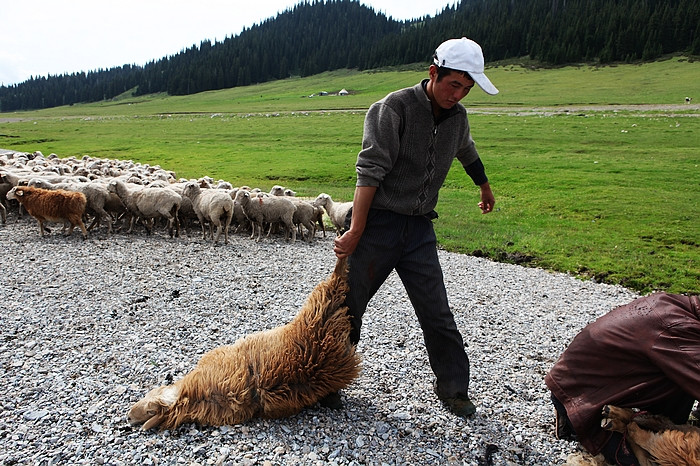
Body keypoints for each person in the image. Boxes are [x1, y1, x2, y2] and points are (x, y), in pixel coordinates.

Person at [328, 37, 499, 418]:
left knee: (437, 311)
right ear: (433, 72)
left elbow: (466, 150)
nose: (458, 94)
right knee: (348, 305)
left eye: (466, 88)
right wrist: (356, 228)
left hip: (419, 228)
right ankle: (328, 381)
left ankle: (454, 389)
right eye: (453, 84)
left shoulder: (458, 118)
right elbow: (369, 170)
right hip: (380, 225)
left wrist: (484, 186)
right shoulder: (394, 108)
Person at [545, 292, 700, 465]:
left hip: (578, 386)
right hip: (581, 400)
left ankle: (651, 422)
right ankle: (586, 425)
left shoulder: (679, 307)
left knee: (683, 376)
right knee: (662, 460)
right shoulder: (677, 328)